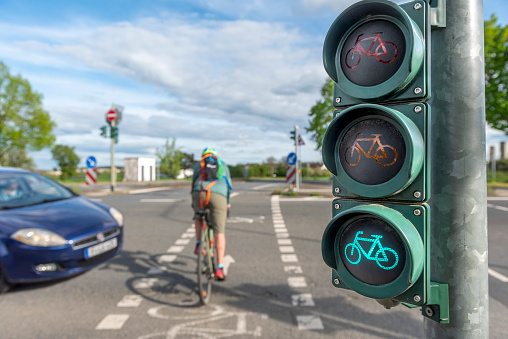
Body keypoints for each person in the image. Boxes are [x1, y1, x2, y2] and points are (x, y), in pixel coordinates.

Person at [191, 147, 232, 281]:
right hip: (218, 196)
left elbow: (193, 185)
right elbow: (228, 186)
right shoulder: (223, 165)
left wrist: (195, 202)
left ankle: (198, 243)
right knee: (219, 231)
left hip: (200, 193)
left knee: (198, 216)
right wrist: (228, 202)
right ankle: (219, 268)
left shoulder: (198, 164)